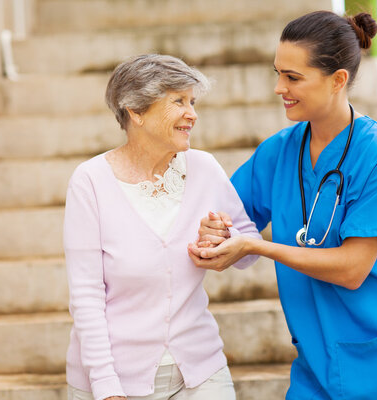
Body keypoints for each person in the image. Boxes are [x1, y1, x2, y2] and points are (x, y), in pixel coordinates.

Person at [188, 11, 377, 399]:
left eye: (293, 77)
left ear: (338, 80)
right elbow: (223, 214)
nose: (279, 87)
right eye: (277, 73)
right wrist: (214, 229)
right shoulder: (278, 153)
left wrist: (255, 246)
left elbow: (352, 268)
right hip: (317, 364)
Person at [63, 54, 261, 400]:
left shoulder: (204, 168)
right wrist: (107, 387)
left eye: (193, 102)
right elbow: (85, 295)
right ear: (135, 112)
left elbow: (249, 248)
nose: (193, 114)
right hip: (116, 379)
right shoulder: (90, 182)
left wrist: (225, 240)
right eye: (178, 102)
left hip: (201, 371)